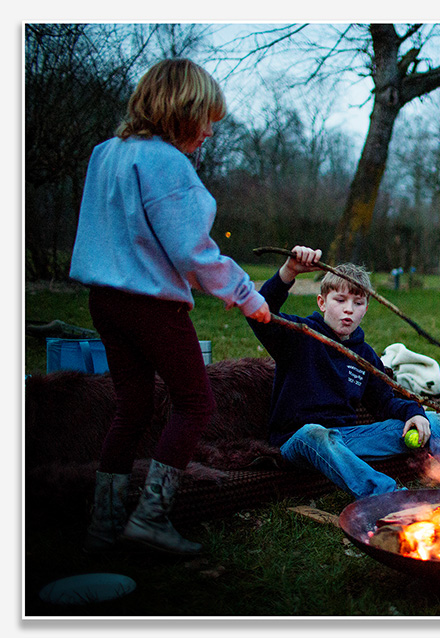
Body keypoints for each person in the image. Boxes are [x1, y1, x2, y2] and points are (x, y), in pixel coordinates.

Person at [71, 59, 271, 555]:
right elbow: (191, 251)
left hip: (105, 302)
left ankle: (103, 525)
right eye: (205, 119)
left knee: (133, 407)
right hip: (151, 308)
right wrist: (245, 295)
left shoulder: (105, 154)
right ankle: (150, 518)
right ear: (181, 110)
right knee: (195, 403)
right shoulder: (166, 163)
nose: (208, 132)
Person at [247, 246, 440, 498]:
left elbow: (384, 401)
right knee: (315, 433)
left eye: (358, 302)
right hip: (297, 441)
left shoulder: (364, 355)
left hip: (346, 439)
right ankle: (388, 497)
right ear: (322, 303)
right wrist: (289, 271)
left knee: (433, 421)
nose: (349, 309)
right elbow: (259, 314)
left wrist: (414, 413)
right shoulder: (299, 334)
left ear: (366, 308)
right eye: (340, 300)